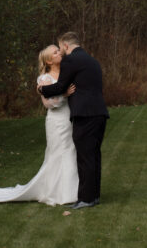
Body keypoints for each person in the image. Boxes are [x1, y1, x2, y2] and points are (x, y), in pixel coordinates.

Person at [0, 45, 78, 206]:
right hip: (56, 121)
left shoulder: (66, 73)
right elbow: (49, 103)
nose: (59, 53)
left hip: (69, 117)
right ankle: (55, 192)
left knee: (70, 151)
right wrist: (64, 94)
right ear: (48, 60)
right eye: (55, 52)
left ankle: (71, 191)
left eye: (58, 50)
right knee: (56, 153)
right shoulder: (44, 79)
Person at [38, 32, 108, 209]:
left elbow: (61, 86)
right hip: (99, 113)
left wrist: (42, 90)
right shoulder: (92, 61)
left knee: (85, 157)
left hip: (84, 115)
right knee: (94, 156)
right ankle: (94, 196)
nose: (61, 52)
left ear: (66, 46)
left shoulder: (71, 60)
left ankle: (85, 198)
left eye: (60, 48)